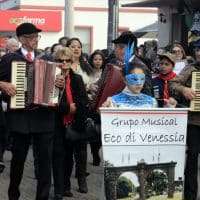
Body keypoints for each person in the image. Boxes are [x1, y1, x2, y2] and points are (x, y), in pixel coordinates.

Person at [0, 22, 61, 200]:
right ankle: (13, 195)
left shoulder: (47, 58)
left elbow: (56, 89)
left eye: (36, 37)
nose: (34, 40)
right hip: (20, 118)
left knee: (44, 165)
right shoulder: (9, 59)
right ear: (20, 39)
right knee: (18, 163)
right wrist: (2, 84)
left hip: (44, 117)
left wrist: (59, 85)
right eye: (30, 37)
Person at [52, 47, 89, 199]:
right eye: (61, 61)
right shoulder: (52, 78)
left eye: (68, 60)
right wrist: (67, 107)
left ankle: (66, 186)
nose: (65, 63)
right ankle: (59, 190)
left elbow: (83, 101)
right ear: (56, 62)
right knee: (58, 157)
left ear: (72, 61)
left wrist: (75, 110)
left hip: (74, 124)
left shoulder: (77, 79)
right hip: (57, 124)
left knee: (69, 159)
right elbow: (51, 104)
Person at [170, 46, 200, 200]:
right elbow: (173, 83)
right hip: (195, 122)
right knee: (193, 159)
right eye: (198, 50)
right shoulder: (191, 68)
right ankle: (190, 196)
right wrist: (184, 90)